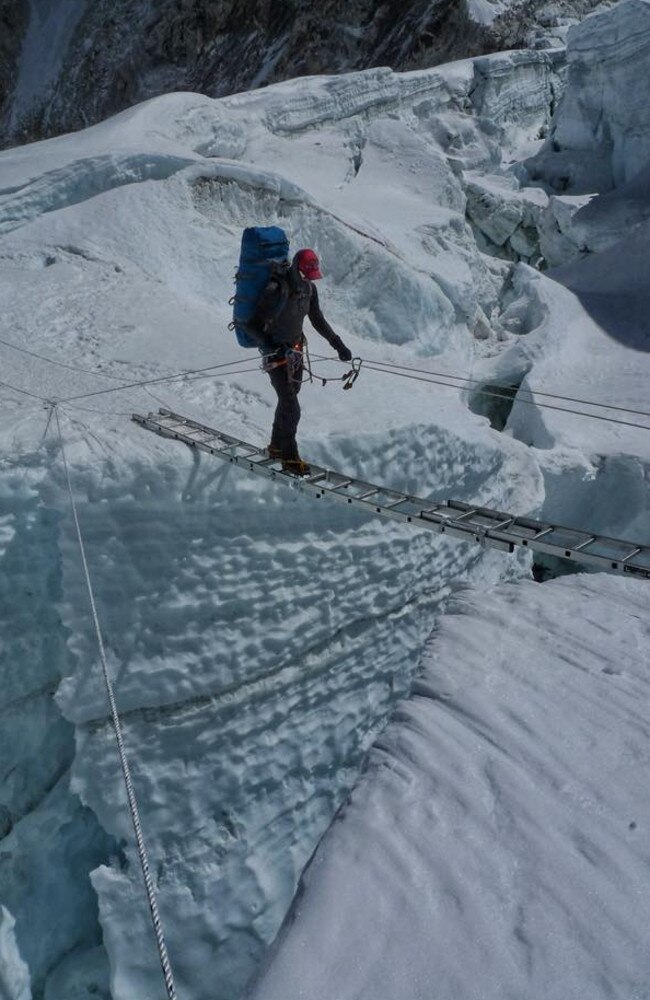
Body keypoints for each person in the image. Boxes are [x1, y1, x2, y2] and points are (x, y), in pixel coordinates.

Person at [251, 247, 352, 476]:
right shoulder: (275, 289)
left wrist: (338, 345)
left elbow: (317, 319)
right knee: (292, 407)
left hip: (295, 352)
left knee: (289, 399)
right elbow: (250, 323)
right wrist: (270, 345)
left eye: (312, 277)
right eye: (306, 276)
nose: (309, 280)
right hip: (275, 355)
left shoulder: (309, 290)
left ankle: (276, 446)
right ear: (296, 269)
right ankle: (290, 458)